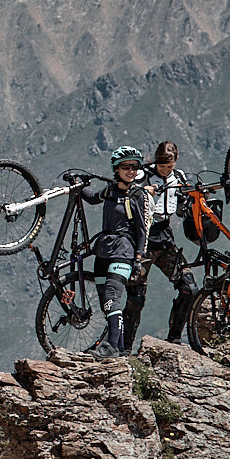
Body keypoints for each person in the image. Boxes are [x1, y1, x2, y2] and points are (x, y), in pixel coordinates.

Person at [80, 145, 152, 356]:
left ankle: (110, 346)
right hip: (103, 251)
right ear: (116, 168)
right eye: (126, 166)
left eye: (134, 167)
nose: (131, 171)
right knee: (105, 301)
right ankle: (120, 349)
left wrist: (139, 256)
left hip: (124, 251)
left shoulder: (137, 195)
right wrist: (78, 185)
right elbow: (93, 198)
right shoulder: (110, 190)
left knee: (113, 296)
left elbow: (142, 229)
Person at [129, 141, 200, 345]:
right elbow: (129, 195)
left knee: (189, 288)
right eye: (162, 166)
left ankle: (174, 338)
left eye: (169, 166)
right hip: (142, 240)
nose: (165, 170)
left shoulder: (179, 177)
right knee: (136, 297)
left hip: (165, 240)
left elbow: (182, 206)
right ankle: (124, 348)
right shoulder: (143, 175)